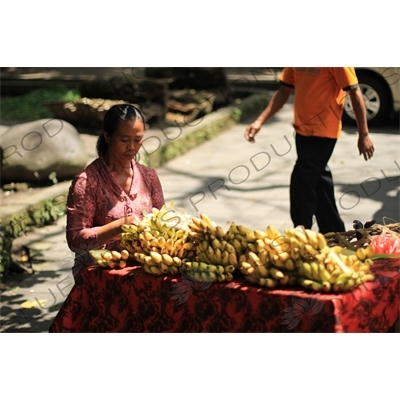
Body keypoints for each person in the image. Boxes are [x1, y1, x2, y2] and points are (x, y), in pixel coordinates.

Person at [244, 67, 375, 234]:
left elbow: (354, 92)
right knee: (318, 180)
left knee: (302, 177)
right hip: (302, 130)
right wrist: (259, 121)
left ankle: (301, 227)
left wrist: (363, 134)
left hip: (324, 130)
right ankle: (333, 230)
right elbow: (284, 90)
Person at [66, 103, 165, 279]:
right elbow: (75, 240)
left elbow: (162, 222)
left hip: (145, 273)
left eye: (138, 140)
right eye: (124, 140)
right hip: (100, 277)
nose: (132, 147)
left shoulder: (149, 177)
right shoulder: (87, 182)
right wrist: (117, 227)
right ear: (107, 136)